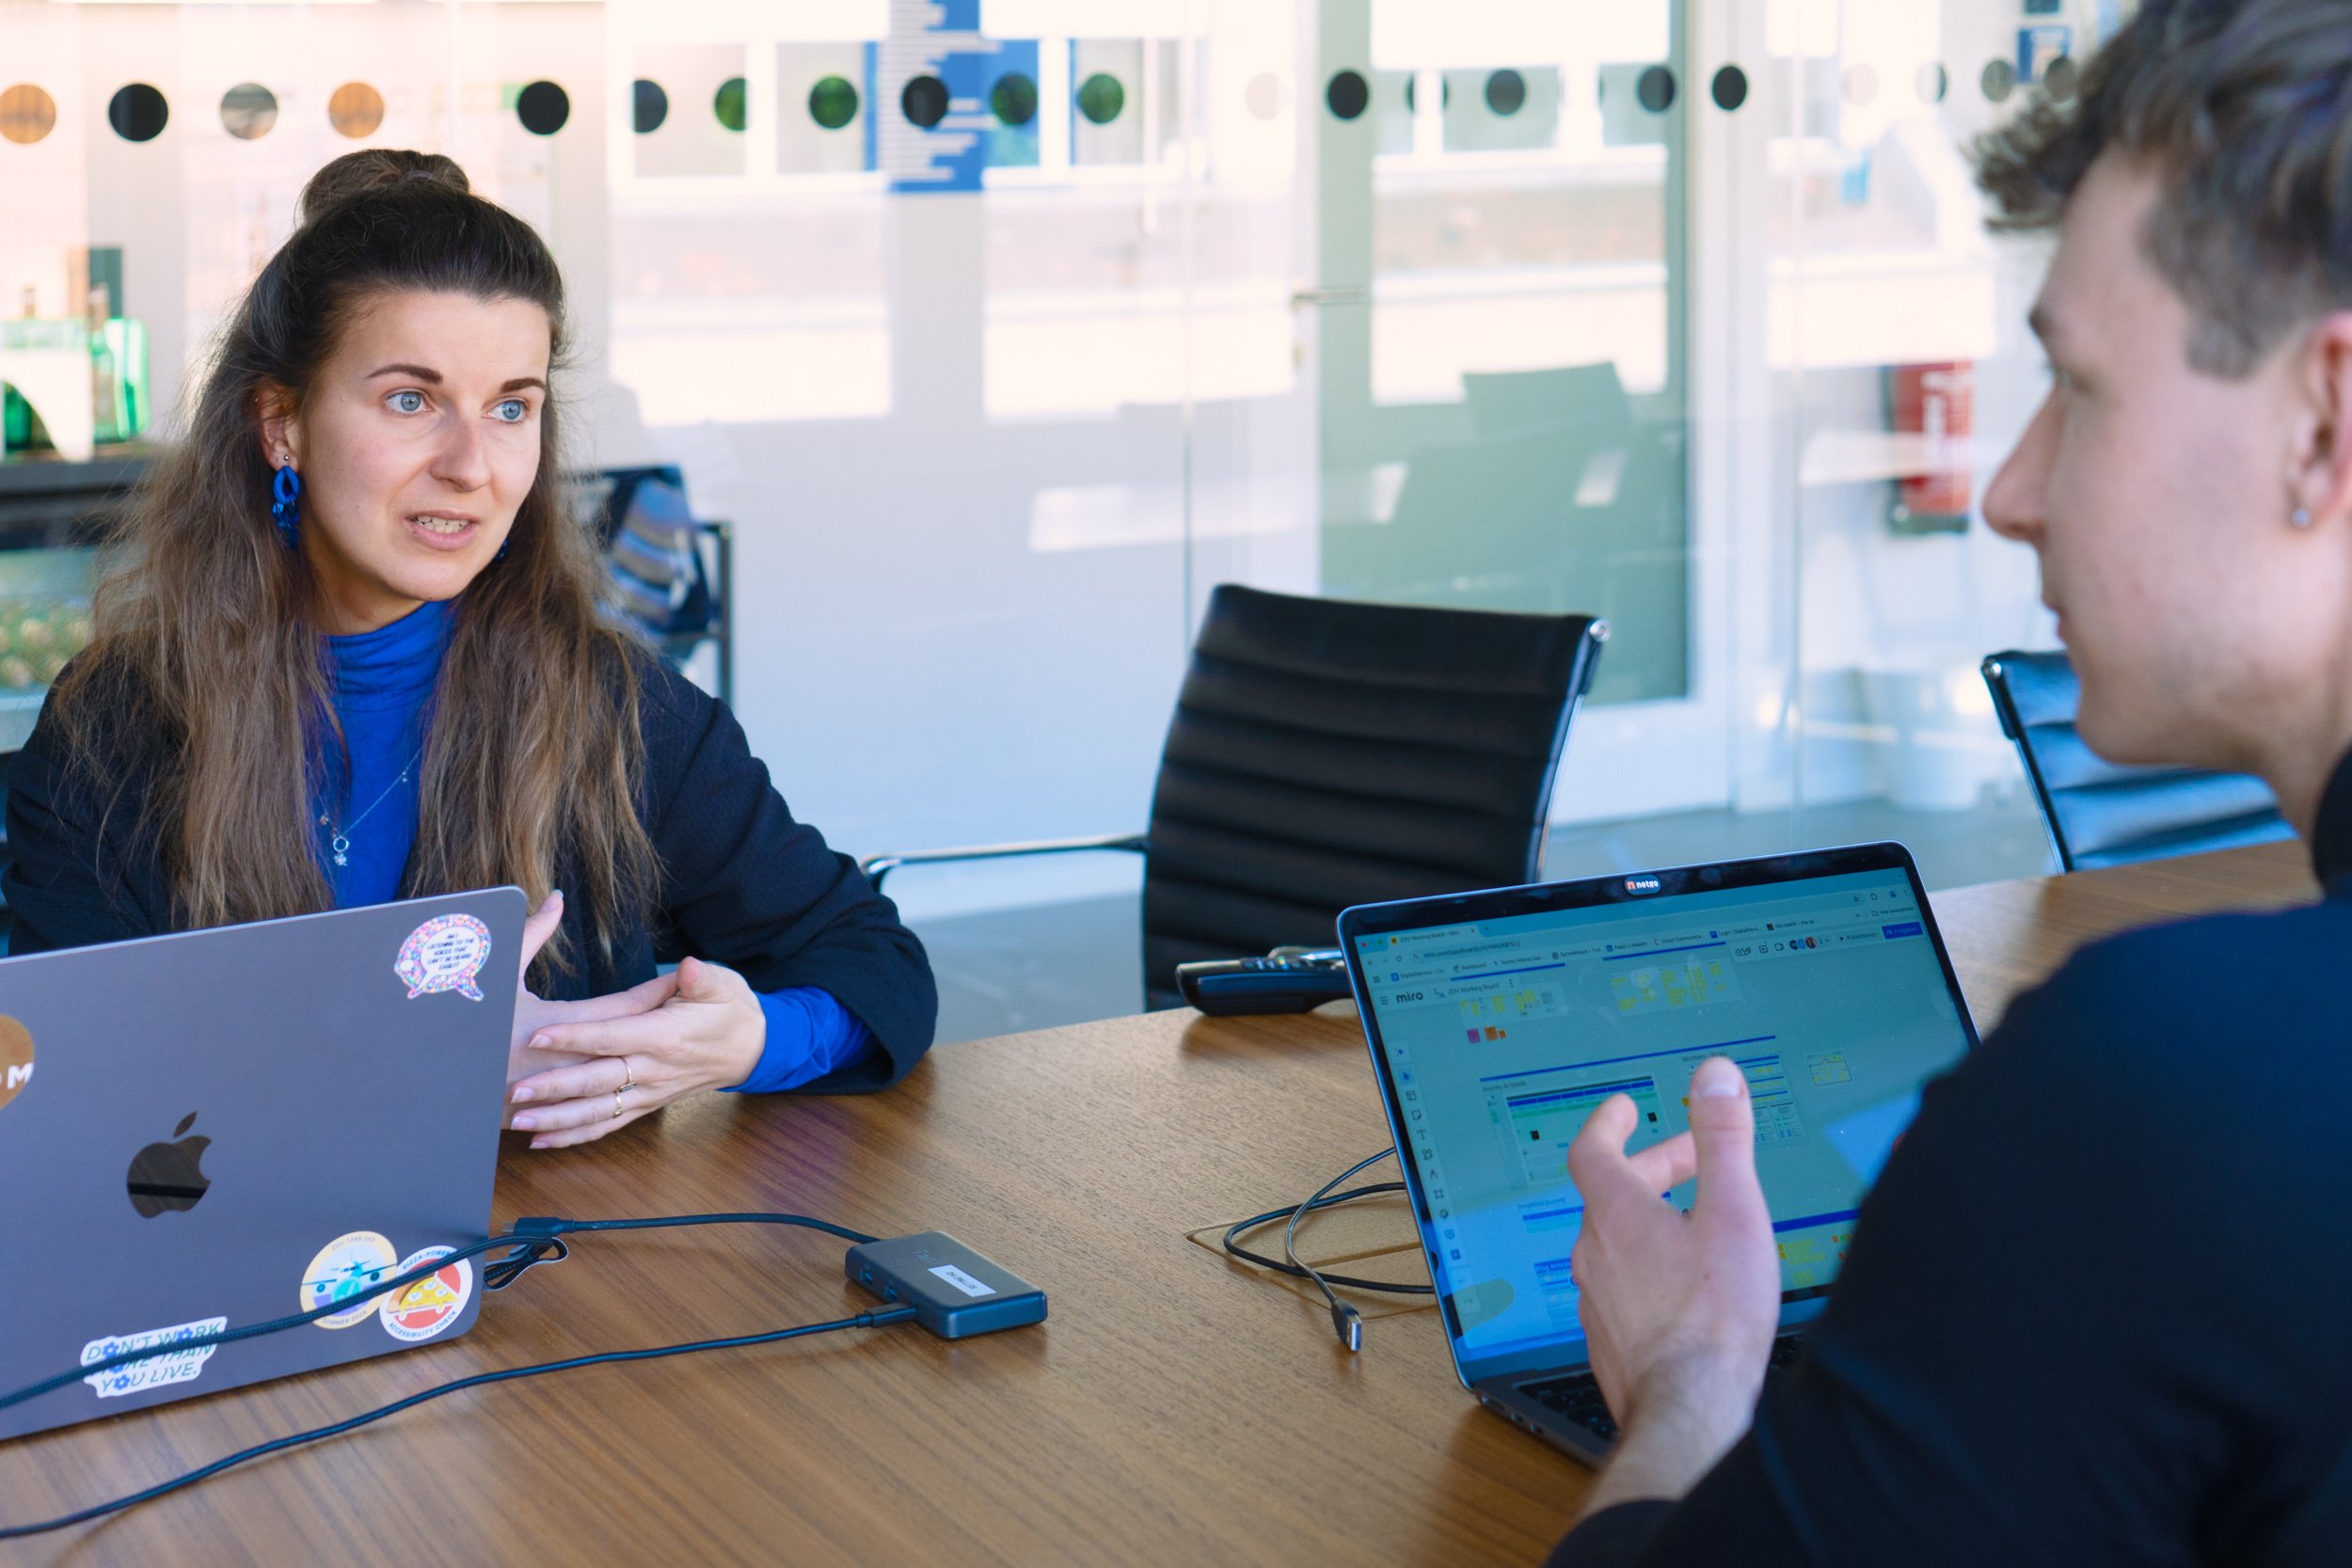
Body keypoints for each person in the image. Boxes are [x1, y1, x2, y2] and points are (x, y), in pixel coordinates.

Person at [1549, 2, 2352, 1560]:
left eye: (2080, 390)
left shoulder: (2168, 1094)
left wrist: (1691, 1379)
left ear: (2324, 423)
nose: (2007, 489)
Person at [2, 150, 937, 1147]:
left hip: (569, 1280)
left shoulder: (620, 708)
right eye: (410, 399)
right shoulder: (116, 721)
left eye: (511, 407)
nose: (471, 466)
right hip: (237, 1273)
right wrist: (407, 1063)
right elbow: (58, 1073)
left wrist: (744, 1041)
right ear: (282, 425)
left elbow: (873, 966)